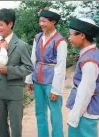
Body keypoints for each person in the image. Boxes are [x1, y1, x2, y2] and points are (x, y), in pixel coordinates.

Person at [0, 8, 33, 137]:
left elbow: (29, 67)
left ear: (10, 24)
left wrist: (9, 70)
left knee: (16, 126)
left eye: (0, 24)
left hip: (14, 93)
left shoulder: (21, 45)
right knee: (0, 127)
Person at [25, 7, 67, 137]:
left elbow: (61, 65)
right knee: (40, 113)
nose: (41, 24)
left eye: (44, 21)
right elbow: (32, 59)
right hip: (38, 79)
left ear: (53, 21)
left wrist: (56, 89)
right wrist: (29, 79)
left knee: (55, 115)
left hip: (51, 82)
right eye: (40, 21)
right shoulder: (37, 37)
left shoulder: (60, 41)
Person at [66, 17, 99, 137]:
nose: (69, 38)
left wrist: (74, 117)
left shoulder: (89, 61)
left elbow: (85, 92)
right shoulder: (90, 53)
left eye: (71, 34)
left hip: (85, 113)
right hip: (85, 111)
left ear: (82, 35)